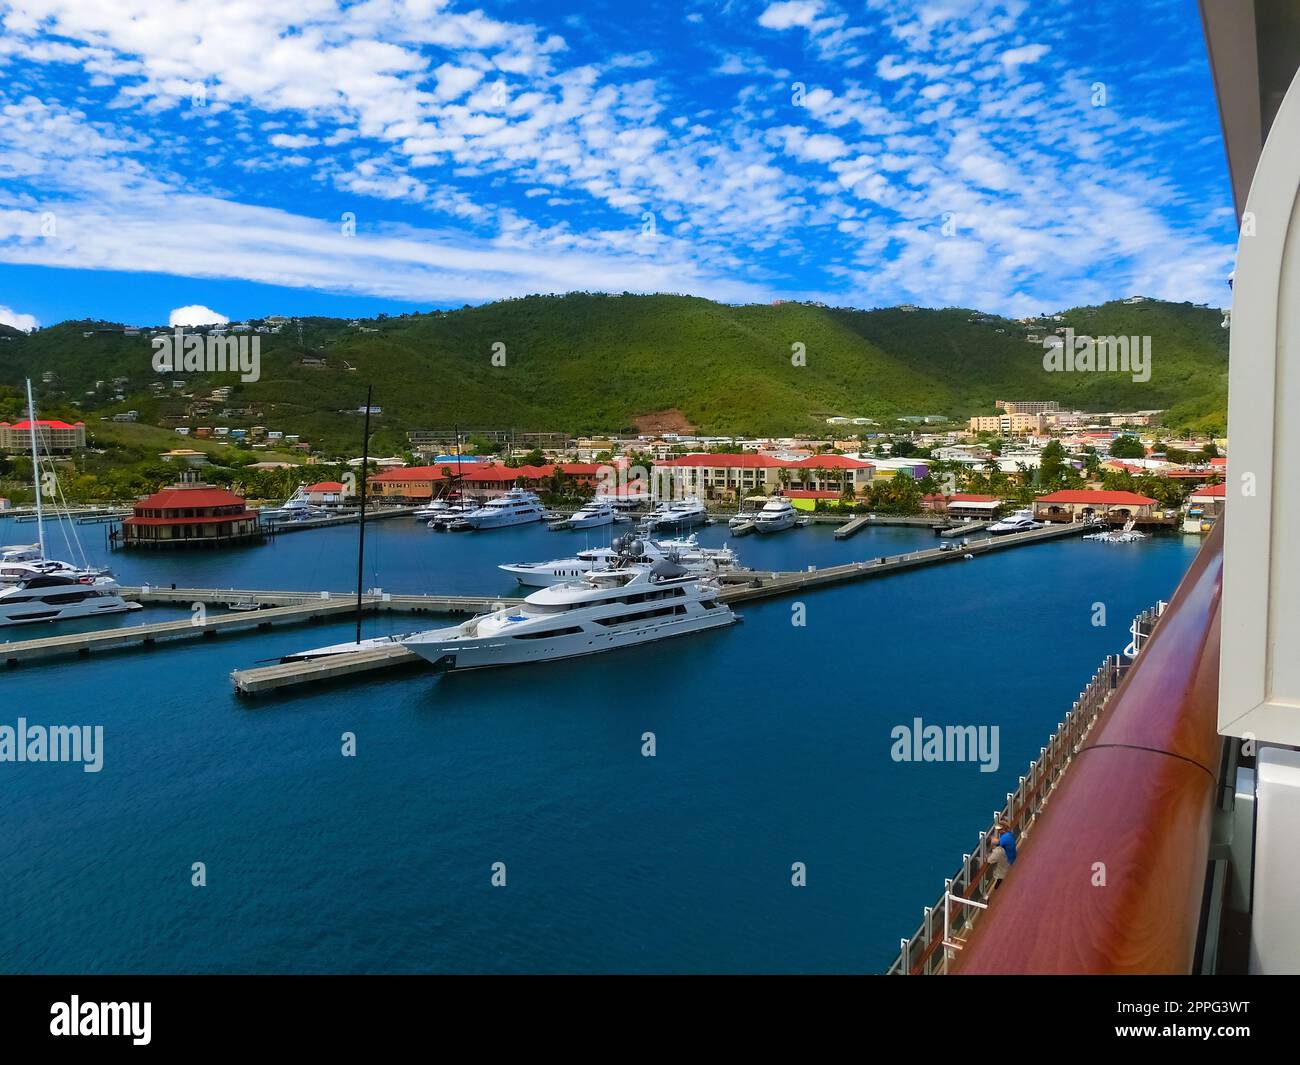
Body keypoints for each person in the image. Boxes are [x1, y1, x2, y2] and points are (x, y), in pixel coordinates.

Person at [984, 825, 1015, 898]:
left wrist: (987, 853)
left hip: (1002, 875)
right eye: (994, 838)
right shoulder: (1003, 845)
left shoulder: (997, 851)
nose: (996, 837)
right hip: (1008, 868)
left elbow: (989, 860)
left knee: (998, 891)